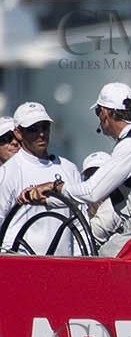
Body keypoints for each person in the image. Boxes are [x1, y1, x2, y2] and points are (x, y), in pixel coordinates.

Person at [22, 82, 131, 260]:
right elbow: (98, 199)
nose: (99, 118)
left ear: (106, 113)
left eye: (97, 112)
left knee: (91, 264)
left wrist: (55, 187)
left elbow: (91, 192)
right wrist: (46, 199)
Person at [0, 101, 88, 255]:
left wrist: (84, 260)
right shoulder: (8, 172)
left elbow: (80, 223)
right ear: (18, 133)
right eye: (33, 129)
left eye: (45, 127)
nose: (41, 134)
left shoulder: (69, 169)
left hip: (64, 264)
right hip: (21, 263)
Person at [78, 151, 120, 247]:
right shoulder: (82, 208)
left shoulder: (120, 205)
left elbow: (93, 235)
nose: (96, 182)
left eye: (99, 175)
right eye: (90, 177)